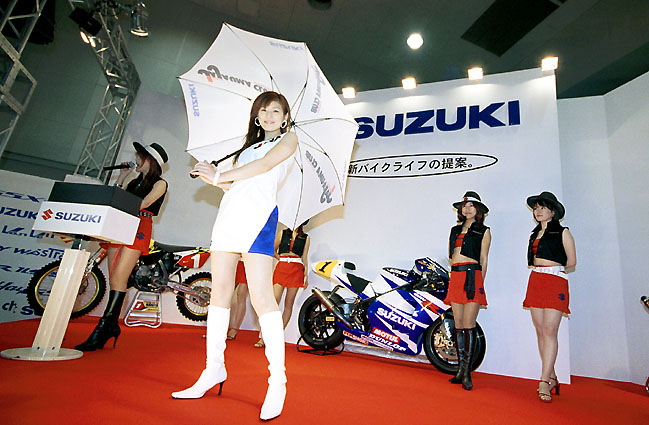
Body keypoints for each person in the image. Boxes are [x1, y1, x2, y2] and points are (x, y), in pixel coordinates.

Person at [174, 91, 298, 421]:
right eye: (263, 110)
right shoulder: (246, 148)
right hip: (229, 216)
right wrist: (211, 176)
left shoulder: (289, 140)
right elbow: (237, 186)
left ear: (285, 116)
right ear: (256, 116)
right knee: (219, 293)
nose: (269, 115)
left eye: (276, 111)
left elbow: (264, 167)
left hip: (259, 220)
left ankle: (277, 382)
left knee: (261, 296)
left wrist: (221, 175)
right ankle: (213, 368)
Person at [75, 142, 169, 351]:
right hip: (121, 225)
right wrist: (122, 177)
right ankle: (109, 326)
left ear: (150, 161)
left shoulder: (160, 183)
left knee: (119, 277)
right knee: (115, 279)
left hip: (140, 225)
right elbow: (116, 199)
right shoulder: (133, 181)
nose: (136, 159)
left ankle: (103, 328)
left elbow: (144, 204)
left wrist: (125, 200)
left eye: (140, 156)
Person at [522, 191, 576, 403]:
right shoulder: (534, 234)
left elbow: (571, 261)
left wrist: (553, 268)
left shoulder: (563, 232)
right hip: (536, 280)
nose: (538, 211)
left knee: (550, 330)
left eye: (543, 207)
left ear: (553, 212)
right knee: (540, 330)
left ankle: (544, 380)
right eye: (536, 208)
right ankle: (552, 376)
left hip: (555, 281)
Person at [445, 191, 491, 391]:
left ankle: (467, 373)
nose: (467, 209)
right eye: (465, 205)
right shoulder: (455, 230)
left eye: (472, 205)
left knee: (469, 324)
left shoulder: (484, 231)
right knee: (458, 324)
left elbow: (484, 259)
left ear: (478, 209)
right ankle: (460, 369)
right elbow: (451, 255)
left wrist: (480, 282)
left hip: (473, 276)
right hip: (456, 275)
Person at [256, 222, 310, 347]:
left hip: (296, 269)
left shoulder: (306, 238)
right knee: (273, 301)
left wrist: (305, 276)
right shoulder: (283, 233)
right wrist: (281, 258)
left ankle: (276, 336)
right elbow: (273, 249)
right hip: (282, 267)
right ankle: (264, 336)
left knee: (288, 304)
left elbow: (304, 258)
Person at [227, 259, 249, 340]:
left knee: (241, 295)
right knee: (225, 295)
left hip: (248, 263)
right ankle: (218, 328)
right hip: (234, 262)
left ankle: (235, 329)